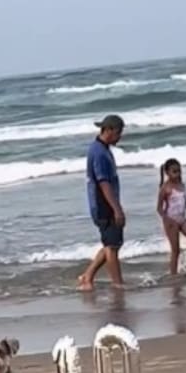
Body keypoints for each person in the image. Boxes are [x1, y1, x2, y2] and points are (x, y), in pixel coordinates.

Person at [77, 114, 126, 291]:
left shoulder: (102, 149)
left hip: (106, 204)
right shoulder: (98, 152)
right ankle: (118, 284)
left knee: (110, 245)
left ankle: (87, 276)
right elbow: (103, 183)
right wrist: (117, 209)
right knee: (112, 247)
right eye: (119, 133)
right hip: (103, 205)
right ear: (109, 130)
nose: (120, 137)